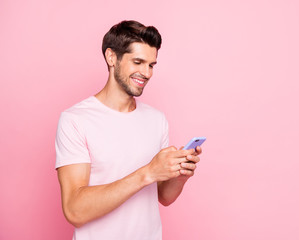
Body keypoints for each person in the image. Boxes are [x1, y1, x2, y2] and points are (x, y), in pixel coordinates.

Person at [55, 20, 202, 240]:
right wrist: (147, 172)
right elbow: (74, 210)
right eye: (138, 62)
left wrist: (180, 175)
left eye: (151, 65)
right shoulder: (75, 120)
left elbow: (164, 196)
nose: (146, 73)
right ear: (111, 57)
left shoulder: (156, 119)